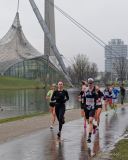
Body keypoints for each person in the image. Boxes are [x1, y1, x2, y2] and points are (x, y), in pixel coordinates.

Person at [84, 78, 98, 143]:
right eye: (89, 83)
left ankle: (89, 137)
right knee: (89, 122)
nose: (90, 84)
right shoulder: (85, 89)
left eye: (91, 83)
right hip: (86, 107)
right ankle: (94, 126)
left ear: (93, 83)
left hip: (92, 107)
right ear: (88, 83)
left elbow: (97, 98)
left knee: (90, 120)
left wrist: (95, 94)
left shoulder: (95, 89)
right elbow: (82, 97)